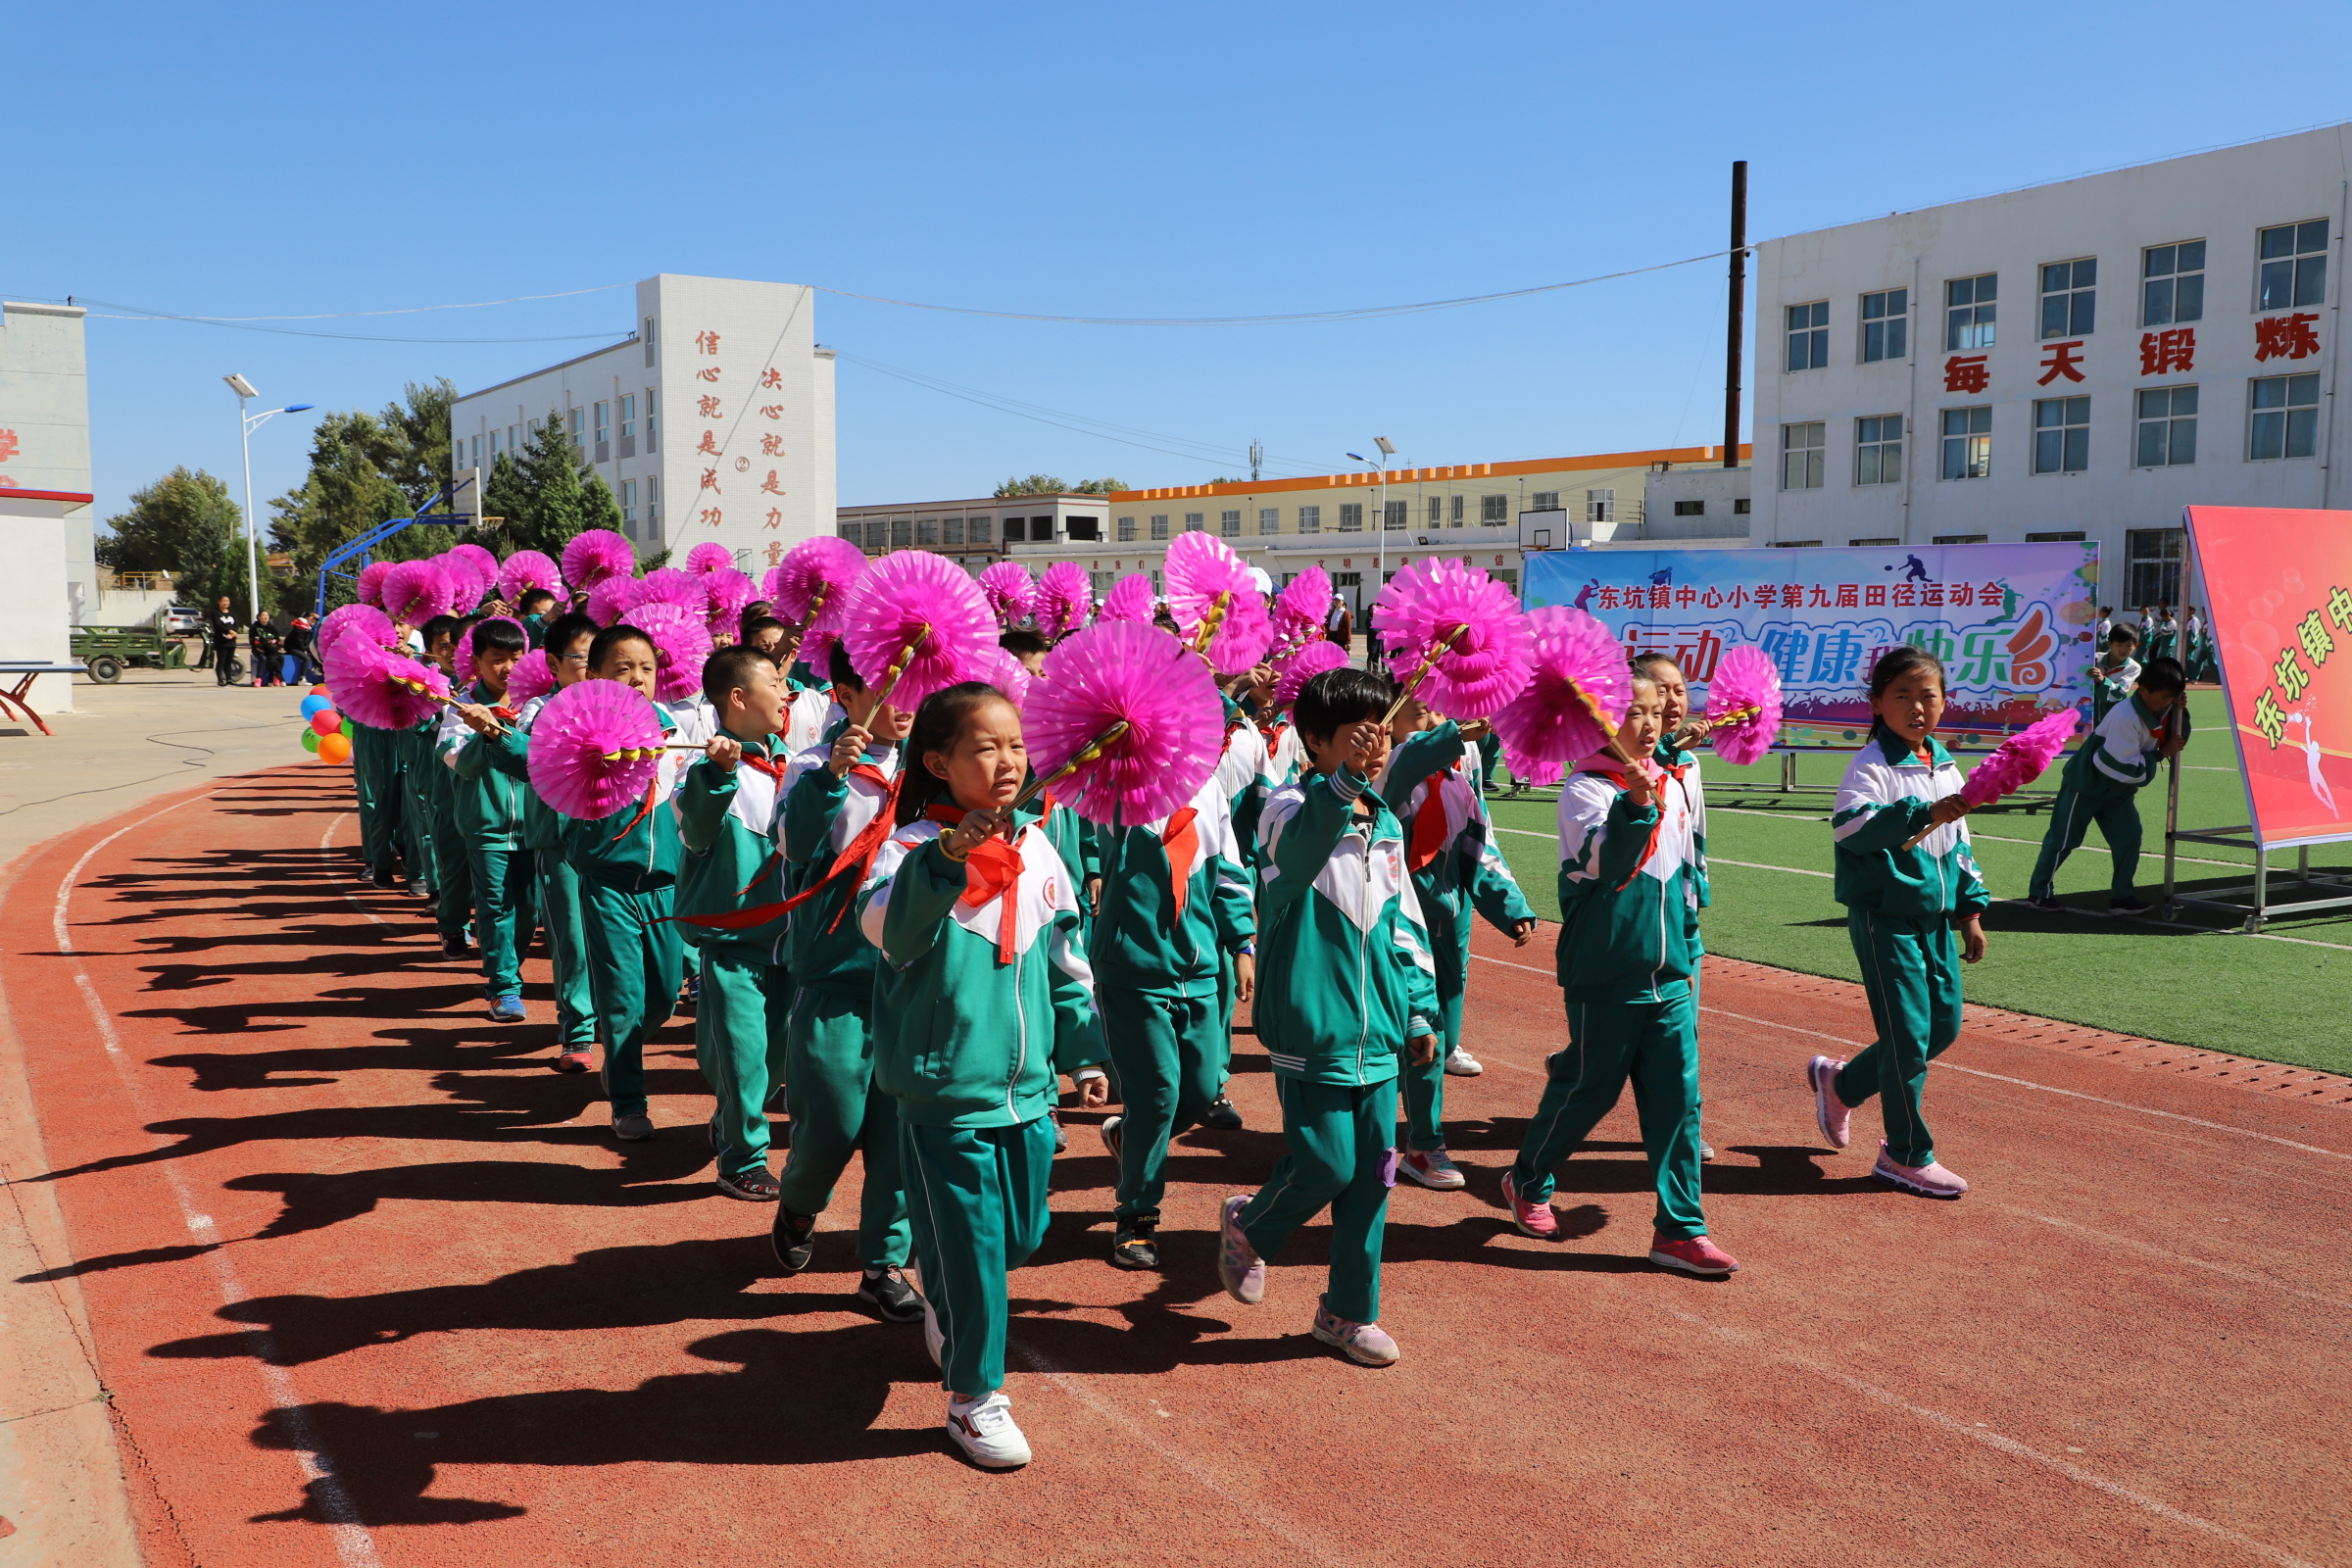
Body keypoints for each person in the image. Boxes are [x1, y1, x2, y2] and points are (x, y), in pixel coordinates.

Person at [857, 681, 1096, 1469]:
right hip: (943, 1092)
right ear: (937, 761)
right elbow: (887, 929)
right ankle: (973, 1399)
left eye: (1015, 745)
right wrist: (947, 859)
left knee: (1017, 1239)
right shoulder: (904, 848)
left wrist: (1086, 1050)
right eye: (984, 746)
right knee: (973, 1250)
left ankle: (949, 1288)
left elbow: (1065, 955)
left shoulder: (1037, 844)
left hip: (1027, 1091)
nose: (1006, 760)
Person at [1216, 666, 1439, 1368]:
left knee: (1373, 1174)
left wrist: (1422, 1012)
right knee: (1325, 1162)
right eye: (1356, 738)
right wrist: (1338, 786)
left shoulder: (1387, 821)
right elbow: (1303, 849)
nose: (1374, 750)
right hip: (1313, 1025)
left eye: (1380, 735)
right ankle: (1251, 1223)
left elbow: (1405, 925)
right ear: (1313, 741)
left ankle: (1346, 1312)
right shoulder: (1286, 809)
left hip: (1381, 1036)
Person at [1496, 674, 1737, 1274]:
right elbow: (1607, 865)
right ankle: (1528, 1178)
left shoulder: (1671, 782)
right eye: (1634, 713)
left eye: (1657, 712)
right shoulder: (1586, 790)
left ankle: (1680, 1229)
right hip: (1605, 971)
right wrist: (1635, 801)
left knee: (1678, 1104)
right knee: (1589, 1090)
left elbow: (1680, 875)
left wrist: (1686, 942)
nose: (1651, 724)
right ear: (1600, 720)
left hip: (1671, 973)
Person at [768, 641, 919, 1320]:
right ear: (847, 696)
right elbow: (794, 847)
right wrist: (830, 776)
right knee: (829, 1120)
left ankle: (882, 1265)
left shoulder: (934, 770)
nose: (907, 705)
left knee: (898, 1136)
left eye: (918, 688)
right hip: (833, 982)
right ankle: (799, 1205)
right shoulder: (811, 766)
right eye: (889, 691)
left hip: (908, 987)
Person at [1807, 646, 1988, 1200]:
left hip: (1934, 922)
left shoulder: (1945, 762)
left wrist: (1970, 910)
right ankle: (1905, 1154)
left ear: (1943, 701)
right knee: (1908, 1037)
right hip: (1884, 919)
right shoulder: (1871, 767)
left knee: (1942, 1029)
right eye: (1902, 696)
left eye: (1926, 696)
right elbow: (1851, 830)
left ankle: (1842, 1083)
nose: (1916, 707)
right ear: (1878, 704)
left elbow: (1958, 846)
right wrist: (1918, 813)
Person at [1092, 750, 1256, 1268]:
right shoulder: (1120, 791)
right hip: (1134, 972)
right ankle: (1137, 1216)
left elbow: (1226, 871)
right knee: (1157, 1095)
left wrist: (1243, 943)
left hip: (1202, 972)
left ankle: (1129, 1135)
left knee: (1202, 1091)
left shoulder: (1208, 790)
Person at [1380, 696, 1537, 1189]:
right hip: (1398, 925)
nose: (1433, 721)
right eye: (1419, 712)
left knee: (1437, 1030)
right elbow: (1411, 756)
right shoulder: (1389, 773)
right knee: (1412, 1031)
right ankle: (1419, 1145)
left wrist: (1511, 908)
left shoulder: (1457, 784)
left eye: (1437, 712)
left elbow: (1480, 850)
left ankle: (1417, 1141)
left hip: (1445, 924)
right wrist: (1453, 733)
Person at [561, 623, 709, 1143]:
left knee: (664, 999)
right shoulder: (577, 730)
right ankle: (627, 1100)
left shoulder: (673, 730)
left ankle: (621, 1054)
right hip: (609, 884)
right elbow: (532, 764)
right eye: (623, 668)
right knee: (622, 999)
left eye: (646, 668)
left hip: (668, 887)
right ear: (595, 674)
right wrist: (498, 736)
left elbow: (694, 800)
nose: (638, 678)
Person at [671, 645, 797, 1200]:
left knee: (776, 1060)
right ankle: (742, 1158)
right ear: (739, 698)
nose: (787, 692)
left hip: (791, 944)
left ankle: (731, 1121)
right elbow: (695, 830)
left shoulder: (799, 766)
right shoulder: (699, 773)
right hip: (733, 944)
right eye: (776, 681)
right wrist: (717, 776)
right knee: (743, 1058)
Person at [483, 611, 602, 1069]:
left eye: (599, 657)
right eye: (582, 657)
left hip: (616, 842)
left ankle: (624, 1021)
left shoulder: (618, 704)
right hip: (560, 842)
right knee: (571, 938)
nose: (592, 666)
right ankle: (579, 1032)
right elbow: (527, 760)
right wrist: (497, 735)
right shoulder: (537, 710)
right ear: (553, 663)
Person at [2029, 657, 2188, 916]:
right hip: (2086, 784)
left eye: (2172, 698)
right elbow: (2114, 765)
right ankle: (2038, 892)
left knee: (2129, 838)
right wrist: (2158, 756)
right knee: (2063, 839)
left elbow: (2179, 739)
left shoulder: (2163, 709)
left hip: (2118, 793)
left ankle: (2122, 897)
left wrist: (2182, 711)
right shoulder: (2126, 715)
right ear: (2143, 689)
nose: (2166, 703)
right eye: (2163, 698)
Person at [441, 619, 539, 1022]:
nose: (508, 669)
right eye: (497, 660)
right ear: (476, 662)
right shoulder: (459, 708)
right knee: (496, 907)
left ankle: (509, 971)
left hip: (536, 828)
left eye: (516, 659)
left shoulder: (537, 704)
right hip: (486, 828)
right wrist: (487, 732)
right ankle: (503, 987)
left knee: (530, 910)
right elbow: (459, 764)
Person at [2090, 625, 2142, 721]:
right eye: (2119, 645)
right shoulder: (2095, 659)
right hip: (2089, 712)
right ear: (2110, 644)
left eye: (2128, 645)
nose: (2123, 650)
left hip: (2114, 715)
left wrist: (2102, 680)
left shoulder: (2133, 667)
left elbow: (2119, 692)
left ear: (2135, 645)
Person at [209, 597, 240, 686]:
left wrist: (233, 634)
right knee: (221, 660)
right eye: (224, 601)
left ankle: (229, 679)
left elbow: (236, 625)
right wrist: (229, 632)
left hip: (232, 640)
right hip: (221, 641)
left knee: (229, 661)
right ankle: (220, 679)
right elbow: (218, 625)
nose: (226, 603)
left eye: (227, 601)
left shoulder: (232, 613)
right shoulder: (215, 613)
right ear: (219, 602)